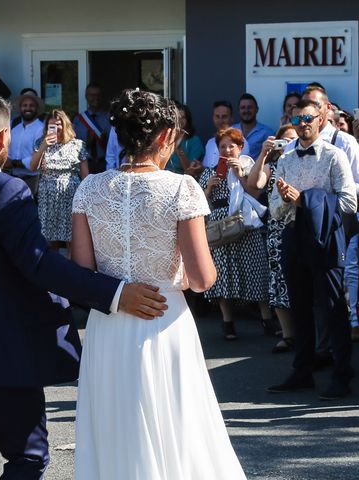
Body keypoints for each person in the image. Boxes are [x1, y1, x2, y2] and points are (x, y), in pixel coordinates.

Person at [0, 91, 168, 479]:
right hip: (2, 354)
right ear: (4, 138)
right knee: (27, 458)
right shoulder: (6, 189)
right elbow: (39, 263)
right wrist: (115, 293)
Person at [72, 88, 245, 479]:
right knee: (177, 428)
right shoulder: (181, 188)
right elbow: (202, 280)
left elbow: (81, 271)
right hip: (164, 321)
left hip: (109, 323)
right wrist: (178, 275)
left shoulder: (90, 188)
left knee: (115, 426)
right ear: (166, 135)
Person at [267, 99, 357, 400]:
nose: (303, 123)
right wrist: (284, 201)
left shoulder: (335, 156)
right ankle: (302, 370)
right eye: (298, 119)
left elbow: (349, 203)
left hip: (326, 239)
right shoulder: (287, 158)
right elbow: (275, 207)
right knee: (299, 306)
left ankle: (341, 375)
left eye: (308, 117)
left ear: (321, 119)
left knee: (333, 308)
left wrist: (306, 199)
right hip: (293, 235)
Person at [302, 85, 359, 349]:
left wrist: (323, 198)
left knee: (336, 290)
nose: (309, 111)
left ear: (326, 110)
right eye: (305, 104)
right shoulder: (300, 144)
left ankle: (340, 352)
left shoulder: (345, 141)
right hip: (308, 227)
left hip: (339, 226)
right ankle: (321, 349)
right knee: (313, 294)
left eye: (315, 105)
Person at [199, 128, 272, 340]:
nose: (227, 150)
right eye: (223, 146)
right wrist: (208, 189)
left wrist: (240, 175)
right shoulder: (209, 172)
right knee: (223, 275)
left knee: (257, 271)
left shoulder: (250, 167)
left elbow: (255, 193)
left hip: (246, 223)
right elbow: (200, 205)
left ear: (240, 148)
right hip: (220, 226)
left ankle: (267, 320)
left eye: (232, 146)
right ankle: (227, 323)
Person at [247, 124, 299, 353]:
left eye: (293, 140)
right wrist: (263, 154)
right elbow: (253, 185)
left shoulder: (305, 161)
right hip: (277, 226)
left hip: (302, 224)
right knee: (278, 278)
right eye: (284, 140)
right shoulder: (272, 163)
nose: (288, 145)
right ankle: (288, 334)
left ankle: (307, 332)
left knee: (303, 278)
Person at [30, 109, 88, 251]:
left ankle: (71, 270)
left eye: (58, 125)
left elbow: (86, 175)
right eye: (51, 126)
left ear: (65, 125)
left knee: (71, 238)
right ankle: (51, 270)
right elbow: (32, 167)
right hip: (47, 197)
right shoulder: (40, 143)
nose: (55, 129)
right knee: (49, 239)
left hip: (71, 195)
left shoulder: (78, 145)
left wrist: (85, 198)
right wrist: (44, 146)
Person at [72, 83, 111, 173]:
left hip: (104, 164)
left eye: (98, 95)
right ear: (86, 97)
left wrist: (104, 141)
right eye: (92, 95)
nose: (95, 98)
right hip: (85, 164)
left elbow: (114, 144)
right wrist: (87, 143)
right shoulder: (78, 120)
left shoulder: (108, 118)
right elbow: (73, 146)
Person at [202, 100, 251, 169]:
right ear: (213, 118)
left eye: (224, 117)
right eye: (217, 116)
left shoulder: (240, 141)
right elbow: (207, 169)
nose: (220, 120)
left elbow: (246, 171)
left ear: (231, 118)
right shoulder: (210, 143)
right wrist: (200, 169)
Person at [165, 102, 205, 175]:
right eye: (178, 118)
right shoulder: (165, 137)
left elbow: (189, 170)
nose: (180, 121)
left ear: (187, 120)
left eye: (183, 117)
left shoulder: (194, 141)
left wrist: (179, 150)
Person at [232, 93, 275, 158]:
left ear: (256, 109)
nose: (246, 110)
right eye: (243, 108)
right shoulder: (232, 131)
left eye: (250, 107)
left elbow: (271, 156)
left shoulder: (267, 132)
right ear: (239, 110)